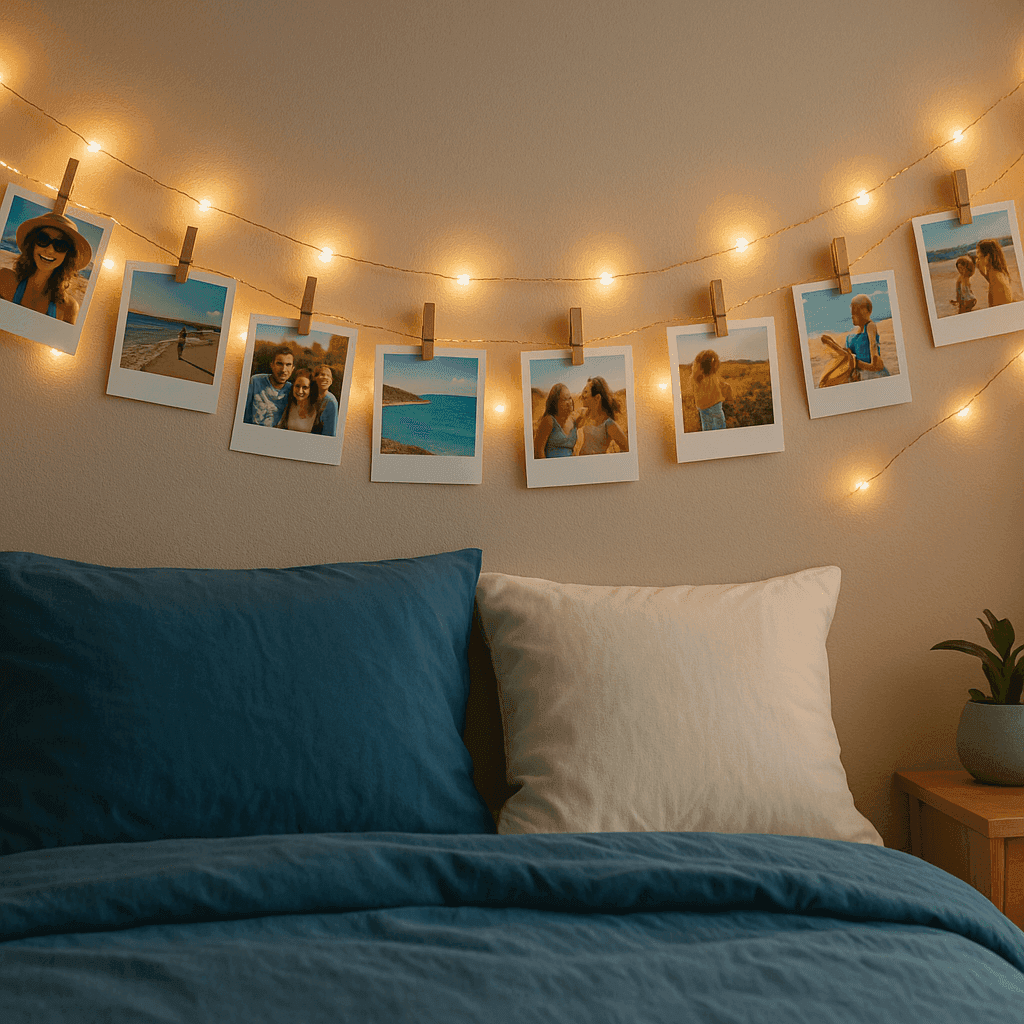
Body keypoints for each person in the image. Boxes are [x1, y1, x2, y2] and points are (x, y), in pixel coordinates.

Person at [0, 212, 92, 325]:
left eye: (61, 245)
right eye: (43, 239)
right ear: (33, 244)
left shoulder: (68, 309)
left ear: (68, 255)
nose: (49, 250)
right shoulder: (4, 279)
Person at [243, 345, 294, 427]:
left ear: (292, 368)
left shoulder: (293, 390)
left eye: (288, 365)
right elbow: (243, 412)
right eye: (279, 364)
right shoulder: (255, 381)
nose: (283, 370)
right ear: (272, 365)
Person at [578, 376, 629, 455]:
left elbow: (626, 448)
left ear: (597, 397)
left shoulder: (608, 424)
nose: (582, 395)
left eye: (586, 392)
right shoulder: (586, 415)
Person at [843, 294, 889, 380]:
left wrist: (858, 363)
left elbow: (873, 347)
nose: (852, 313)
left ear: (867, 311)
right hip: (860, 374)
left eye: (855, 309)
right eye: (852, 309)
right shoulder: (851, 336)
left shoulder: (870, 326)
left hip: (872, 374)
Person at [533, 382, 582, 458]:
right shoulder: (549, 420)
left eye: (569, 398)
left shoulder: (573, 420)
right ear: (555, 403)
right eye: (565, 399)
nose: (569, 402)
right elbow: (538, 450)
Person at [690, 349, 734, 430]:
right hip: (715, 406)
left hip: (702, 407)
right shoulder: (711, 375)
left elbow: (714, 384)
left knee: (707, 427)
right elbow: (716, 362)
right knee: (719, 427)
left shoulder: (696, 377)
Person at [276, 368, 320, 432]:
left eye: (305, 387)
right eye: (297, 386)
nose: (300, 391)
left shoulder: (318, 411)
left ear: (311, 389)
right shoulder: (286, 405)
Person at [975, 238, 1014, 306]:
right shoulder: (996, 273)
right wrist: (983, 273)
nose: (977, 258)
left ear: (987, 256)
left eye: (978, 254)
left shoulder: (997, 280)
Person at [311, 364, 339, 437]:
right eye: (322, 374)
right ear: (314, 378)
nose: (325, 378)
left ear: (331, 381)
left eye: (328, 376)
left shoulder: (331, 402)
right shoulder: (311, 396)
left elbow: (330, 433)